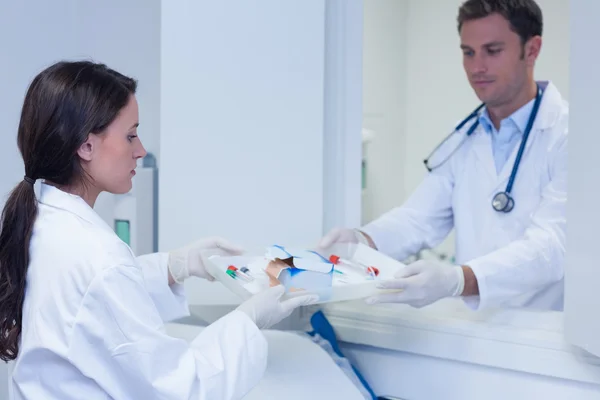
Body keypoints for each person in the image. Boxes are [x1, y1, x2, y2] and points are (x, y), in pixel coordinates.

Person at [0, 61, 318, 399]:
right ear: (86, 146)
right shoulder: (98, 257)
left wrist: (174, 266)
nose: (140, 150)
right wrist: (248, 320)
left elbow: (90, 308)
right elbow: (179, 389)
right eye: (131, 135)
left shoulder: (45, 222)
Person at [319, 0, 567, 311]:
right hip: (472, 331)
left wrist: (459, 280)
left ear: (531, 50)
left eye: (493, 51)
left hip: (542, 337)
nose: (477, 67)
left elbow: (553, 246)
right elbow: (418, 219)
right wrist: (362, 240)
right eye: (468, 52)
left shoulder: (570, 137)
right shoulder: (464, 138)